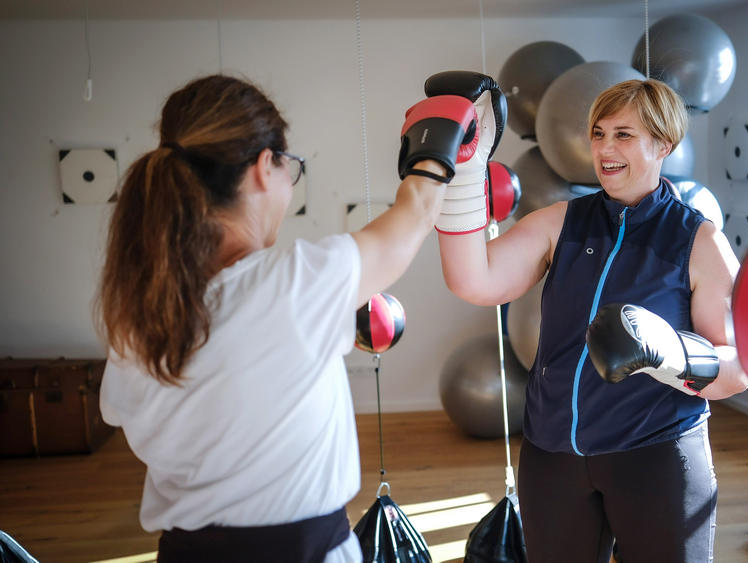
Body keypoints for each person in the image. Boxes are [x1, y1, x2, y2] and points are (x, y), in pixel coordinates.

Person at [96, 74, 478, 562]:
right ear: (263, 168)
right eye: (288, 168)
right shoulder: (294, 282)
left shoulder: (135, 311)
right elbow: (418, 211)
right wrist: (442, 136)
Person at [437, 78, 748, 562]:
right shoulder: (561, 222)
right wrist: (461, 172)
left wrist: (672, 354)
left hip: (654, 453)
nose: (605, 148)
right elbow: (472, 280)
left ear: (663, 144)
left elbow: (737, 369)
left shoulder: (698, 241)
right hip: (552, 454)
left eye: (623, 134)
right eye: (598, 134)